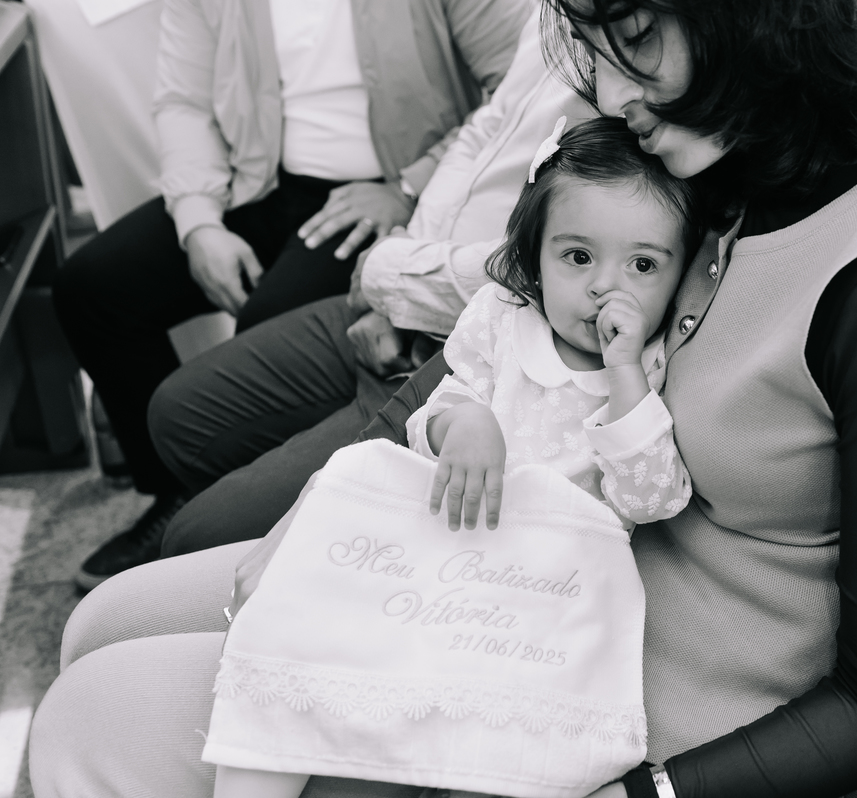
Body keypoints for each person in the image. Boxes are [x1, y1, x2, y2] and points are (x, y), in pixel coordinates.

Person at [29, 1, 857, 797]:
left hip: (641, 716)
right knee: (105, 622)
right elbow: (503, 340)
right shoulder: (732, 139)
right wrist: (330, 505)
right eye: (595, 44)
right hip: (520, 581)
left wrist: (639, 794)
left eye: (635, 35)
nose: (611, 90)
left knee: (91, 714)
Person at [207, 116, 699, 798]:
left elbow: (653, 498)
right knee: (325, 649)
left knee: (470, 734)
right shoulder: (502, 317)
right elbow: (431, 417)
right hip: (447, 554)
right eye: (577, 257)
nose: (603, 288)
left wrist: (624, 374)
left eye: (642, 265)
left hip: (542, 602)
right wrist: (460, 422)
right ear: (535, 252)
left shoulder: (651, 367)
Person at [55, 0, 529, 591]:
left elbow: (514, 93)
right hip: (257, 181)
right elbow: (184, 102)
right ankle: (171, 494)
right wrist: (200, 222)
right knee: (92, 286)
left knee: (263, 321)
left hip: (383, 196)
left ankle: (237, 522)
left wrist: (407, 187)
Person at [145, 8, 596, 560]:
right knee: (175, 413)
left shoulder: (627, 78)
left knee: (192, 536)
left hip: (463, 338)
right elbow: (486, 126)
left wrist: (393, 272)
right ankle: (268, 517)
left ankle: (286, 533)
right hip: (404, 266)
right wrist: (405, 254)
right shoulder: (553, 18)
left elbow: (558, 271)